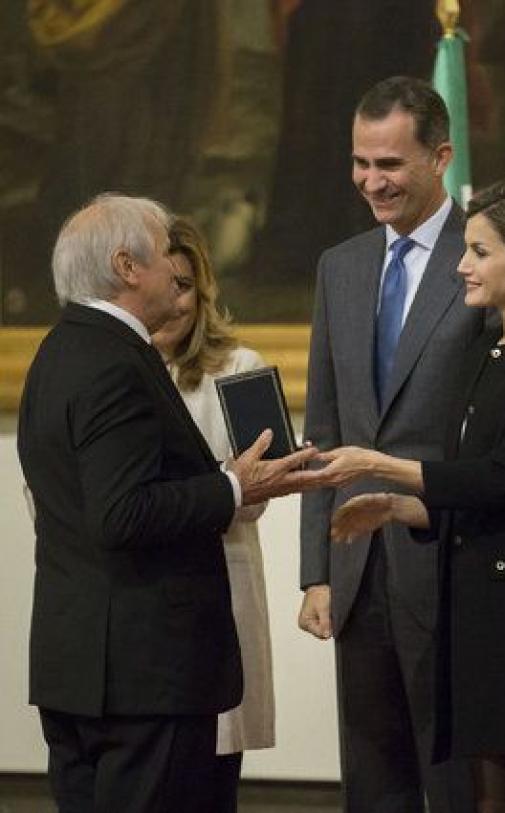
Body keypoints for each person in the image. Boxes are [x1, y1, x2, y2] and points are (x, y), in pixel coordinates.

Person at [315, 179, 505, 813]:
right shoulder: (485, 353)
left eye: (480, 251)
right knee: (488, 801)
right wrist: (397, 507)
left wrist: (383, 466)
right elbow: (472, 484)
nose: (461, 265)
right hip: (480, 606)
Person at [16, 193, 316, 813]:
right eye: (162, 261)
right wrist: (234, 485)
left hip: (79, 665)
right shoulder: (114, 362)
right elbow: (122, 513)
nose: (176, 284)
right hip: (144, 675)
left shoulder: (58, 351)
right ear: (128, 267)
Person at [298, 76, 485, 813]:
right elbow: (325, 424)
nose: (372, 182)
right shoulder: (339, 266)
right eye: (360, 162)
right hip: (356, 570)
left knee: (458, 783)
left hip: (450, 565)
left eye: (391, 165)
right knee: (374, 787)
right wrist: (315, 570)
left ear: (441, 157)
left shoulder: (484, 257)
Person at [151, 217, 275, 812]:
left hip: (219, 588)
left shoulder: (240, 367)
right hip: (141, 601)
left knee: (208, 783)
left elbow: (263, 491)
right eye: (163, 284)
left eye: (185, 285)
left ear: (203, 290)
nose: (173, 302)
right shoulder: (114, 369)